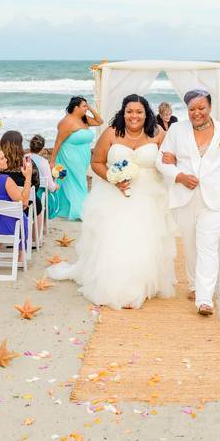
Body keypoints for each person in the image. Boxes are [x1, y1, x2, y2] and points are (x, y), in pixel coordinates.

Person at [48, 94, 175, 309]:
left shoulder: (159, 133)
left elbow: (170, 160)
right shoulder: (111, 133)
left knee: (145, 241)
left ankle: (141, 285)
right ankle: (119, 287)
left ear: (147, 114)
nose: (134, 116)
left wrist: (172, 160)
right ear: (123, 113)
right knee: (116, 239)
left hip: (149, 196)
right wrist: (113, 178)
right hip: (114, 195)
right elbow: (96, 162)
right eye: (129, 111)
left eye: (139, 112)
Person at [157, 89, 220, 316]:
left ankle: (204, 298)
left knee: (207, 246)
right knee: (190, 245)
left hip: (215, 199)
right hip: (185, 197)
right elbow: (161, 160)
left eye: (201, 108)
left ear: (210, 107)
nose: (196, 113)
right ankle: (193, 284)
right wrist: (179, 175)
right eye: (192, 109)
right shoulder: (177, 130)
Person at [49, 96, 103, 220]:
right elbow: (58, 142)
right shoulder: (67, 122)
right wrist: (52, 161)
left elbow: (100, 121)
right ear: (76, 107)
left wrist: (90, 108)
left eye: (86, 106)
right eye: (84, 106)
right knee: (79, 181)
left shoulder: (84, 119)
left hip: (82, 156)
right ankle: (81, 210)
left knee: (74, 181)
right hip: (69, 156)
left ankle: (68, 208)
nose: (86, 108)